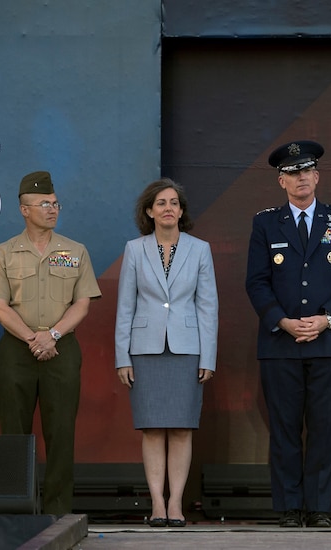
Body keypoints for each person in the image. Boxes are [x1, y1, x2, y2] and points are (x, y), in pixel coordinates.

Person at [245, 140, 331, 528]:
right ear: (282, 181)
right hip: (280, 344)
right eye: (292, 173)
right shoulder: (265, 223)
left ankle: (320, 507)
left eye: (306, 171)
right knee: (284, 430)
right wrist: (282, 320)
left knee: (326, 429)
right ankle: (290, 507)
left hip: (329, 343)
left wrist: (325, 319)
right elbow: (257, 283)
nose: (301, 179)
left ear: (317, 176)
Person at [0, 171, 101, 515]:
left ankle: (58, 510)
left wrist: (53, 335)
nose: (52, 209)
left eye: (55, 203)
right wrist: (34, 338)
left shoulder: (75, 251)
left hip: (61, 349)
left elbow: (82, 303)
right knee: (14, 433)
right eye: (44, 203)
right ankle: (17, 508)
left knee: (61, 431)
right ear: (24, 209)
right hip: (18, 348)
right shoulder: (5, 252)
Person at [115, 178, 218, 528]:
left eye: (174, 202)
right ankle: (157, 504)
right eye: (161, 203)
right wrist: (122, 356)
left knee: (182, 429)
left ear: (181, 210)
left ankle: (176, 504)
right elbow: (125, 307)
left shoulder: (200, 249)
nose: (168, 208)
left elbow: (208, 308)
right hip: (144, 350)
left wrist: (208, 358)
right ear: (149, 211)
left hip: (188, 349)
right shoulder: (134, 249)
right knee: (153, 429)